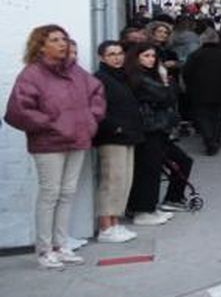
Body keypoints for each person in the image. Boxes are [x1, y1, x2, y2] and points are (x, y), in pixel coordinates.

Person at [5, 26, 106, 266]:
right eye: (55, 40)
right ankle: (44, 249)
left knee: (68, 193)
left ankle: (61, 245)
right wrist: (51, 124)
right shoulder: (32, 74)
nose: (62, 43)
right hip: (49, 143)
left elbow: (97, 92)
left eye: (64, 39)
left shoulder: (76, 72)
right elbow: (18, 111)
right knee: (50, 194)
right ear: (41, 46)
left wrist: (90, 119)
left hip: (78, 139)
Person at [91, 40, 150, 240]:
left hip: (127, 134)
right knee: (112, 180)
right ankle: (105, 226)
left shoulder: (122, 77)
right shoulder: (100, 79)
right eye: (111, 54)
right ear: (102, 57)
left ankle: (115, 222)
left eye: (119, 53)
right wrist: (114, 126)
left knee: (124, 180)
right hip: (112, 136)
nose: (117, 58)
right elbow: (98, 109)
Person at [126, 42, 182, 226]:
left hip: (157, 127)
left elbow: (171, 96)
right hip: (149, 128)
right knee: (148, 170)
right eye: (146, 56)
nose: (150, 60)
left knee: (153, 169)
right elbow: (164, 95)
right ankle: (143, 209)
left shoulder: (147, 75)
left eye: (152, 56)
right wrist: (166, 80)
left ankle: (149, 206)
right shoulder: (139, 77)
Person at [183, 29, 221, 155]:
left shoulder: (195, 55)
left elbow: (186, 73)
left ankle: (209, 139)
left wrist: (191, 86)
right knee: (218, 118)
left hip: (199, 91)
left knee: (203, 116)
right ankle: (215, 139)